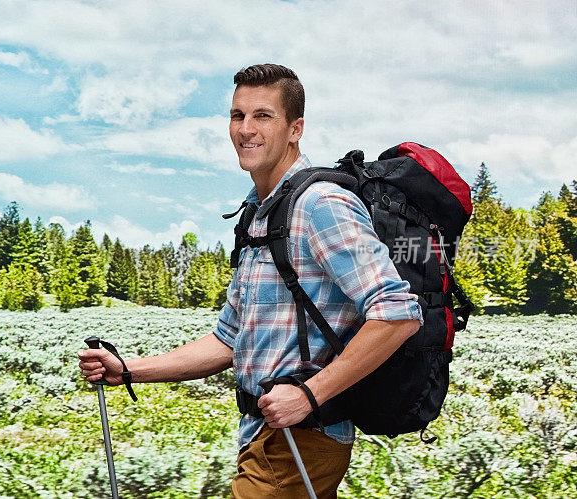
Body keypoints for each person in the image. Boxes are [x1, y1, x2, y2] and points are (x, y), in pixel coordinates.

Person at [78, 63, 422, 499]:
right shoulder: (260, 215)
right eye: (237, 115)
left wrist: (311, 395)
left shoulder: (321, 205)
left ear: (295, 128)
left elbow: (397, 314)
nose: (245, 129)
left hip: (302, 440)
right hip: (266, 438)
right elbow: (229, 339)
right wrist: (129, 371)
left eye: (263, 116)